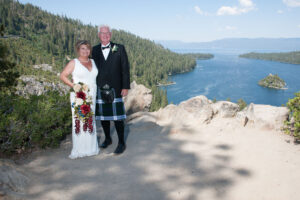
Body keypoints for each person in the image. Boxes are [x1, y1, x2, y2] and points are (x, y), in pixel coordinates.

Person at [92, 25, 130, 155]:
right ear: (99, 35)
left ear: (111, 34)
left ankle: (121, 143)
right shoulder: (94, 50)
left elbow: (125, 69)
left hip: (116, 87)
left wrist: (125, 87)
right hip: (100, 87)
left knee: (118, 118)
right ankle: (108, 139)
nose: (105, 35)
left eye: (107, 33)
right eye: (102, 33)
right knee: (104, 118)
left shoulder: (119, 48)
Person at [60, 40, 99, 159]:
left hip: (92, 94)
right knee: (80, 121)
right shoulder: (74, 62)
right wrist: (74, 86)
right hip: (80, 95)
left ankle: (91, 148)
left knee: (90, 120)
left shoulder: (93, 61)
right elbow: (62, 76)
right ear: (78, 50)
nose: (85, 51)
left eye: (87, 48)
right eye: (82, 48)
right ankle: (80, 149)